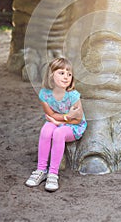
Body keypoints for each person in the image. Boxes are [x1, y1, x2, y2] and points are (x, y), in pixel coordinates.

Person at [25, 57, 87, 192]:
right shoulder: (44, 95)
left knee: (58, 133)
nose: (66, 77)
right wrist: (64, 117)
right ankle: (41, 170)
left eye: (69, 74)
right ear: (51, 75)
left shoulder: (73, 96)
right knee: (46, 130)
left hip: (75, 126)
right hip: (58, 121)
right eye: (61, 73)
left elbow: (77, 120)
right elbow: (50, 115)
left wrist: (60, 121)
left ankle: (53, 173)